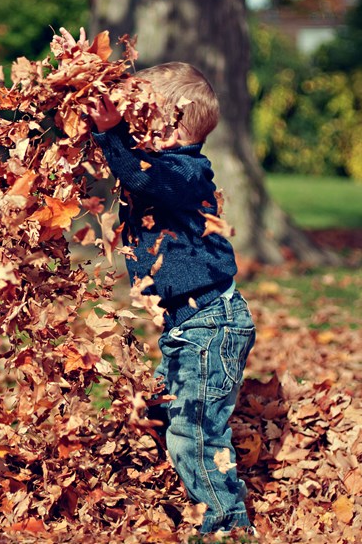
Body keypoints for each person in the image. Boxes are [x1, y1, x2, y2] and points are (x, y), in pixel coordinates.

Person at [60, 29, 256, 535]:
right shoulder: (163, 167)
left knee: (195, 430)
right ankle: (196, 497)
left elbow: (143, 176)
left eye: (138, 114)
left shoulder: (186, 172)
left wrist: (110, 134)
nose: (129, 123)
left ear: (168, 128)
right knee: (173, 415)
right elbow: (133, 173)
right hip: (188, 324)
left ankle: (227, 525)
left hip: (211, 324)